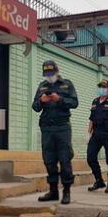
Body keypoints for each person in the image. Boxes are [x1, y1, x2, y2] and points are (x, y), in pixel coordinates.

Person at [32, 61, 78, 204]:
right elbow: (35, 106)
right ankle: (53, 191)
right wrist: (42, 101)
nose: (49, 77)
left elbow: (75, 103)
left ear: (57, 72)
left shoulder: (67, 84)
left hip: (62, 127)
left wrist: (60, 99)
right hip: (47, 128)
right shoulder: (42, 86)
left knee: (65, 159)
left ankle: (66, 191)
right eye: (47, 75)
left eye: (51, 74)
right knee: (49, 160)